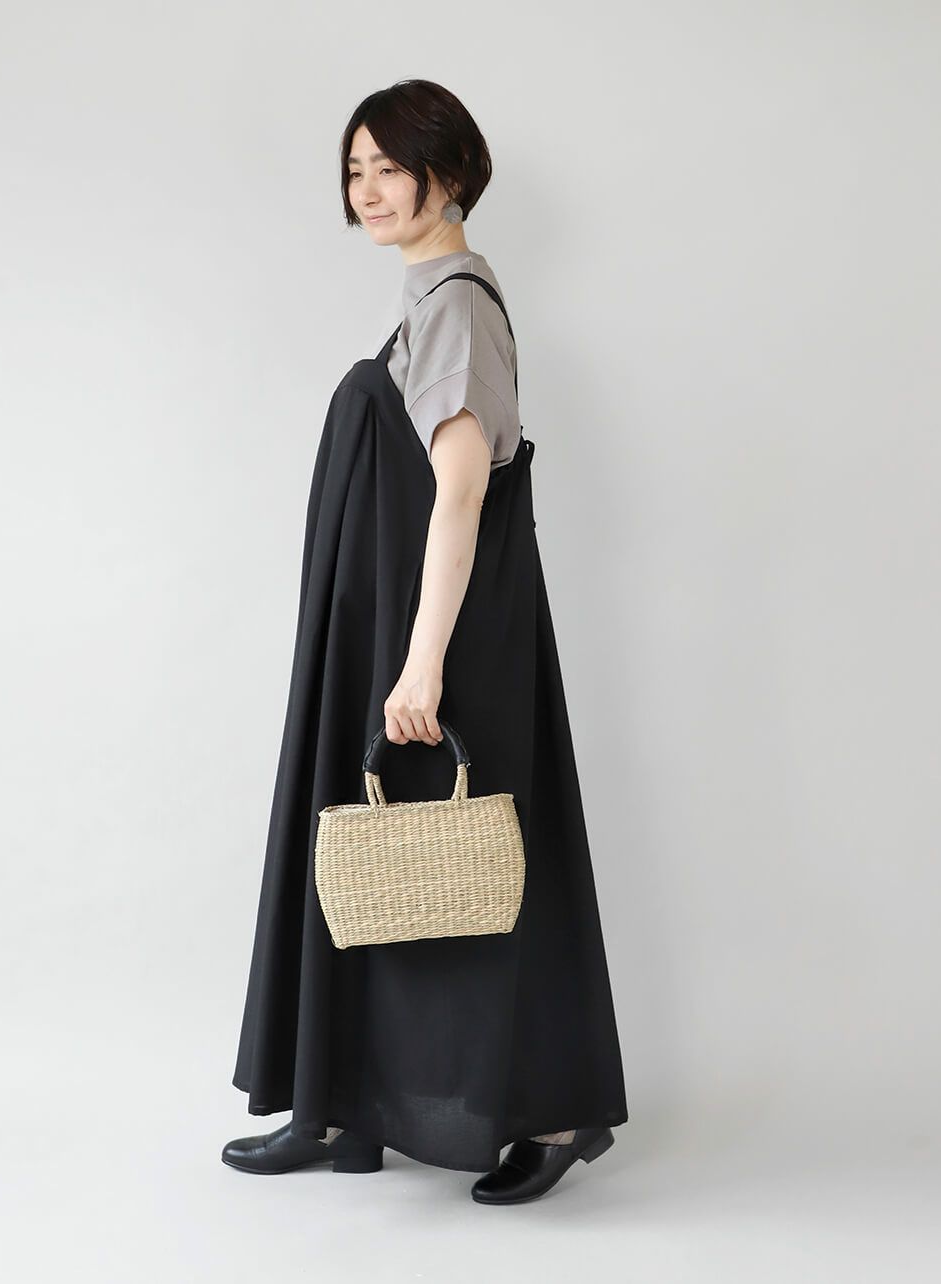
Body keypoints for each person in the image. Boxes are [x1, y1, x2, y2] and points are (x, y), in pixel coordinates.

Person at [222, 79, 628, 1205]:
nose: (367, 189)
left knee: (469, 881)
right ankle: (344, 1105)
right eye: (354, 169)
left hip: (436, 640)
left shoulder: (455, 306)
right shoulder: (427, 304)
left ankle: (550, 1117)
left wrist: (419, 663)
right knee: (381, 873)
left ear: (448, 174)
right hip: (393, 631)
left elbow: (459, 494)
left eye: (389, 168)